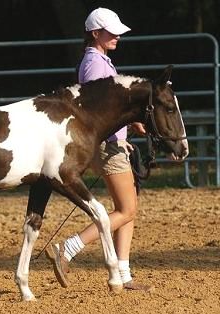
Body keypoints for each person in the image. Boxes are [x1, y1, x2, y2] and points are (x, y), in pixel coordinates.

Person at [46, 7, 152, 291]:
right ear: (96, 33)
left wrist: (127, 127)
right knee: (126, 210)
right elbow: (95, 109)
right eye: (111, 32)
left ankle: (124, 273)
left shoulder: (100, 60)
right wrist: (115, 134)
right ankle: (68, 248)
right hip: (107, 145)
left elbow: (108, 109)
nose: (117, 36)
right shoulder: (95, 64)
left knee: (127, 208)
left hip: (111, 141)